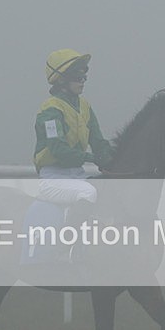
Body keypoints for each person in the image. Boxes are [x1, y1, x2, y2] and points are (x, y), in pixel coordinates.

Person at [33, 49, 115, 220]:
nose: (83, 82)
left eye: (84, 78)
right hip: (52, 178)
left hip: (77, 174)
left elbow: (98, 142)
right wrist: (92, 158)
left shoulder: (85, 106)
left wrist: (112, 158)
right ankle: (65, 244)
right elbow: (58, 150)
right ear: (62, 80)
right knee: (88, 192)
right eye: (78, 78)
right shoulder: (50, 110)